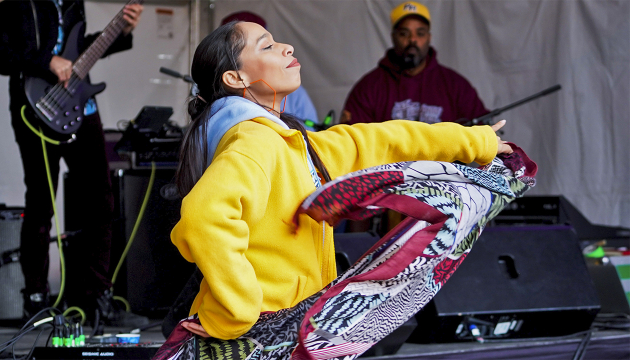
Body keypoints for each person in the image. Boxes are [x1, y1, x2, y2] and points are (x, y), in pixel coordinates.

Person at [167, 20, 512, 344]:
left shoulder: (292, 143)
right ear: (236, 77)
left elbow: (382, 139)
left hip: (284, 327)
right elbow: (204, 220)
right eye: (268, 46)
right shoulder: (254, 141)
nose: (286, 48)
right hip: (256, 333)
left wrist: (474, 142)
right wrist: (237, 310)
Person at [0, 0, 147, 326]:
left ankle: (98, 297)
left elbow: (80, 48)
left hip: (80, 104)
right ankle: (36, 300)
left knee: (101, 201)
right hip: (35, 104)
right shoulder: (10, 5)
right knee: (41, 202)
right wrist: (46, 61)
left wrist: (122, 31)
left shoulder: (74, 2)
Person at [340, 1, 489, 125]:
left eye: (420, 33)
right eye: (404, 33)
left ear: (429, 37)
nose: (412, 39)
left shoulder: (455, 85)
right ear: (393, 37)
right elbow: (352, 140)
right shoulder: (369, 87)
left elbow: (484, 130)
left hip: (443, 162)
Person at [221, 11, 320, 130]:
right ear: (235, 78)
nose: (289, 47)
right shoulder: (245, 136)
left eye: (273, 41)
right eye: (267, 46)